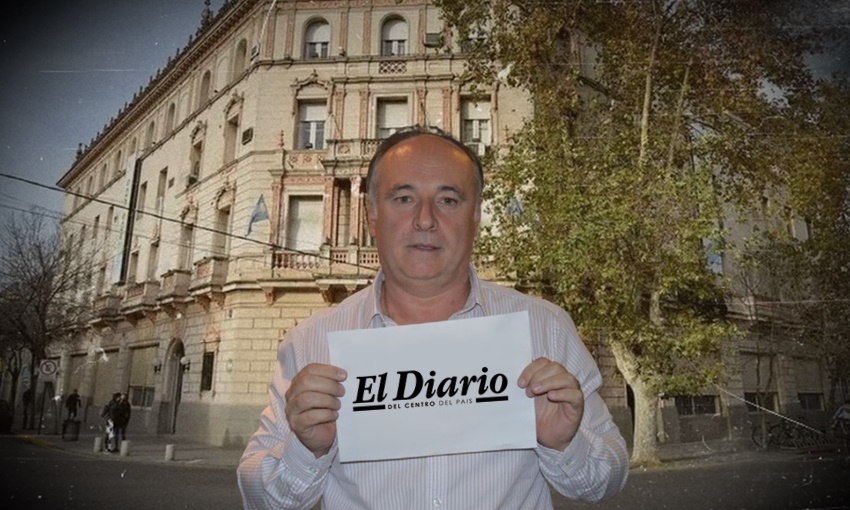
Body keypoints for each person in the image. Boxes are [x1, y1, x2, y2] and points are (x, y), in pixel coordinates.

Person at [238, 126, 629, 509]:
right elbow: (260, 499)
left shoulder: (546, 328)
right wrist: (306, 451)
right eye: (404, 198)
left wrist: (563, 444)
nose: (425, 220)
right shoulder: (310, 342)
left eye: (448, 200)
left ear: (475, 216)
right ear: (372, 215)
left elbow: (607, 479)